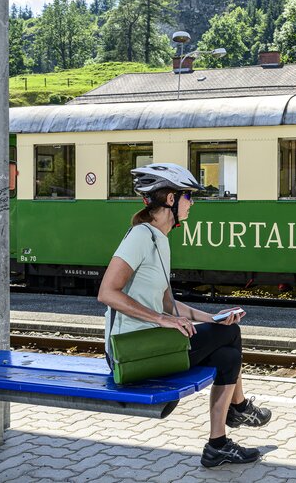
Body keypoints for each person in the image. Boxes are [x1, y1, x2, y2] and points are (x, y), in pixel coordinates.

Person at [98, 163, 272, 467]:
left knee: (227, 357)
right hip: (129, 352)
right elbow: (107, 293)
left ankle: (217, 445)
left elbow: (169, 304)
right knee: (230, 336)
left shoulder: (159, 240)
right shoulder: (140, 237)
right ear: (170, 200)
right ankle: (240, 407)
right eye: (188, 197)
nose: (192, 203)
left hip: (151, 344)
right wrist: (165, 321)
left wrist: (212, 318)